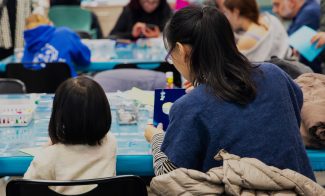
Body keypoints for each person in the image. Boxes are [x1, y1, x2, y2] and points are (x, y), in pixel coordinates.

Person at [144, 6, 315, 181]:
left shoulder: (189, 106)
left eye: (171, 55)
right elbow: (294, 106)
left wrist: (157, 139)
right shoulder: (275, 74)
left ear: (181, 50)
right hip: (300, 187)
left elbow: (170, 176)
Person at [24, 76, 117, 195]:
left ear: (59, 114)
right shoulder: (110, 143)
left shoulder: (46, 158)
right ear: (104, 112)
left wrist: (45, 148)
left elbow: (25, 188)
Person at [22, 14, 91, 77]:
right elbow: (85, 59)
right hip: (66, 88)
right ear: (50, 23)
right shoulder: (64, 33)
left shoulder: (28, 45)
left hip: (34, 89)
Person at [222, 0, 290, 62]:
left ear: (236, 12)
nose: (226, 18)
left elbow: (235, 65)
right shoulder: (271, 20)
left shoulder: (247, 40)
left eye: (226, 13)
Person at [272, 0, 321, 73]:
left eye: (277, 5)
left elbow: (287, 46)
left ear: (292, 2)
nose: (274, 10)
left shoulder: (309, 12)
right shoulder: (306, 11)